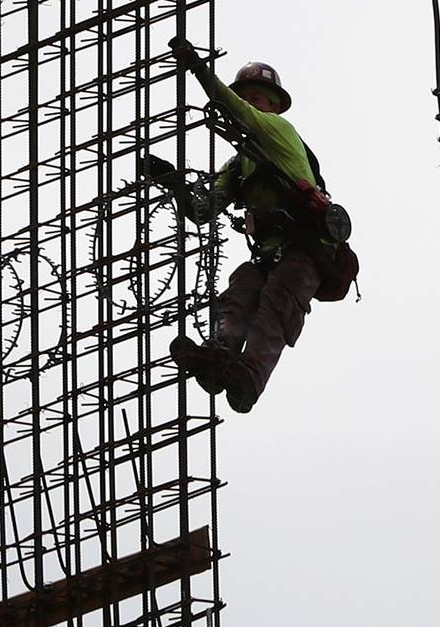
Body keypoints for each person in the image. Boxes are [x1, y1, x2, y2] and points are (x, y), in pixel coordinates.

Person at [149, 34, 358, 413]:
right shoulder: (240, 165)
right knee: (239, 293)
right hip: (268, 253)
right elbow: (202, 211)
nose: (248, 104)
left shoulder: (279, 132)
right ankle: (219, 356)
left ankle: (250, 375)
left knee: (276, 302)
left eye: (257, 98)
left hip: (306, 250)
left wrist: (197, 68)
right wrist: (174, 184)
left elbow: (236, 113)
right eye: (244, 96)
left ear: (275, 106)